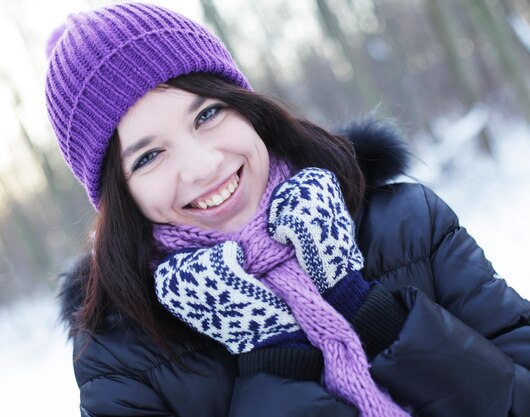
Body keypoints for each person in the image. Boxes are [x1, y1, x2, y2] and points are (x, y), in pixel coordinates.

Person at [46, 3, 530, 416]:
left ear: (246, 107)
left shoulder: (407, 223)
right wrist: (274, 361)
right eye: (149, 156)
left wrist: (368, 312)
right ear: (119, 194)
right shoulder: (118, 354)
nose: (203, 165)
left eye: (207, 114)